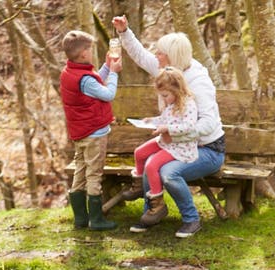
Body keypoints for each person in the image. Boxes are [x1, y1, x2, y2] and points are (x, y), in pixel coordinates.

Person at [112, 16, 224, 238]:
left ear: (172, 56)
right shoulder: (169, 71)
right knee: (147, 160)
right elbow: (141, 56)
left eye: (161, 52)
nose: (156, 55)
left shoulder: (198, 82)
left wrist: (172, 132)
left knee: (167, 171)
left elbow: (208, 123)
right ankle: (151, 213)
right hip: (177, 142)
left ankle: (191, 220)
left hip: (208, 149)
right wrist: (124, 32)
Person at [60, 30, 122, 231]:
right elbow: (107, 93)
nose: (92, 53)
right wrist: (113, 72)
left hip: (81, 133)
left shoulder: (70, 73)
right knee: (94, 174)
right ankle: (96, 220)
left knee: (80, 172)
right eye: (90, 49)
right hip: (94, 134)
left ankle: (80, 218)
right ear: (84, 54)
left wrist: (105, 67)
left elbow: (94, 83)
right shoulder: (84, 79)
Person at [131, 68, 198, 229]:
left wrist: (167, 129)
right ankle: (139, 187)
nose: (164, 99)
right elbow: (165, 118)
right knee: (139, 153)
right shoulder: (172, 103)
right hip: (166, 141)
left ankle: (158, 204)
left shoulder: (188, 105)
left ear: (178, 90)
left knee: (152, 166)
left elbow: (188, 127)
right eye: (162, 96)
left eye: (166, 95)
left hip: (180, 147)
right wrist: (151, 121)